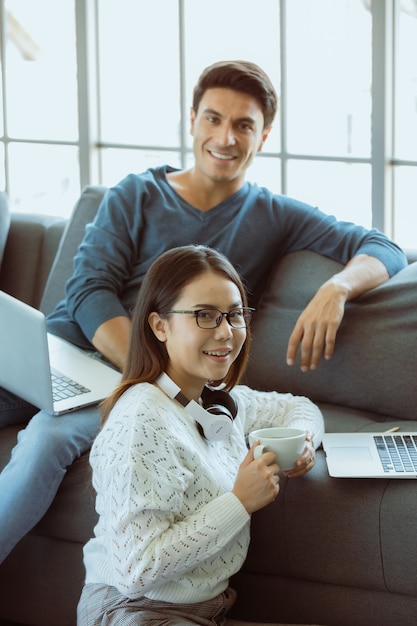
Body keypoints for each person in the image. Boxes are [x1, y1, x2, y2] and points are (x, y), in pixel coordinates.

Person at [0, 59, 407, 563]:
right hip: (70, 354)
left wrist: (337, 289)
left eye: (244, 125)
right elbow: (87, 293)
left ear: (264, 135)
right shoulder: (136, 194)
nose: (226, 137)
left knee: (46, 440)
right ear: (192, 119)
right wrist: (147, 367)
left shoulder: (274, 215)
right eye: (213, 118)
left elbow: (384, 246)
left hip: (136, 389)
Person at [76, 244, 324, 625]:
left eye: (234, 314)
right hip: (135, 610)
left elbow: (301, 407)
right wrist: (239, 501)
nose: (226, 332)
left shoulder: (217, 401)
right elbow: (135, 570)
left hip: (205, 608)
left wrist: (303, 441)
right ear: (160, 326)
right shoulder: (142, 419)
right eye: (204, 315)